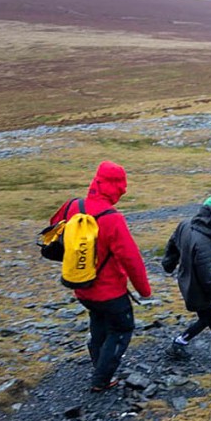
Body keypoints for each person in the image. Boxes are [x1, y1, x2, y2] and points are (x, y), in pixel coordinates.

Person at [49, 161, 151, 392]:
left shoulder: (72, 205)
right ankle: (101, 379)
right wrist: (144, 290)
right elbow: (131, 258)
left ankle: (99, 364)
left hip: (81, 286)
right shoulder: (111, 218)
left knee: (98, 322)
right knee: (122, 328)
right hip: (110, 292)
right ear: (115, 187)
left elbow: (53, 229)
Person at [162, 194, 211, 360]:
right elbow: (208, 275)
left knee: (210, 309)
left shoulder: (186, 224)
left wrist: (169, 263)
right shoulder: (204, 242)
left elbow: (173, 243)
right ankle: (179, 343)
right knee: (204, 318)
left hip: (186, 277)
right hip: (196, 285)